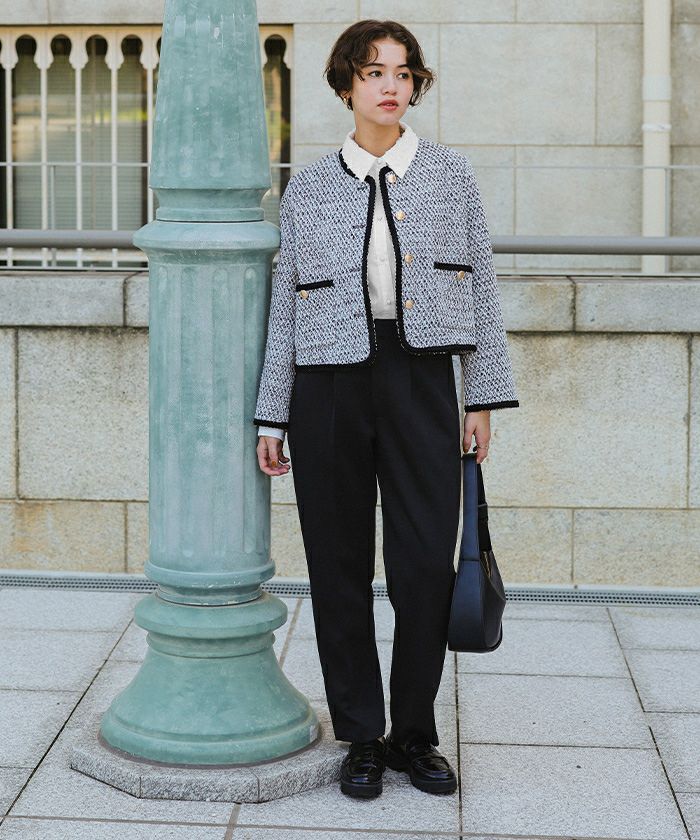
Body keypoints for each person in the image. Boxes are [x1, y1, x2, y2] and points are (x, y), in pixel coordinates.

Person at [253, 19, 519, 799]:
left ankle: (415, 733)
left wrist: (481, 395)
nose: (391, 86)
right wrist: (273, 414)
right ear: (346, 85)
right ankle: (362, 736)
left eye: (403, 73)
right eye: (374, 72)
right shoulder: (308, 186)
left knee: (423, 566)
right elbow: (285, 306)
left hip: (422, 379)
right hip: (327, 388)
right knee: (337, 567)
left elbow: (482, 287)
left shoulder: (450, 175)